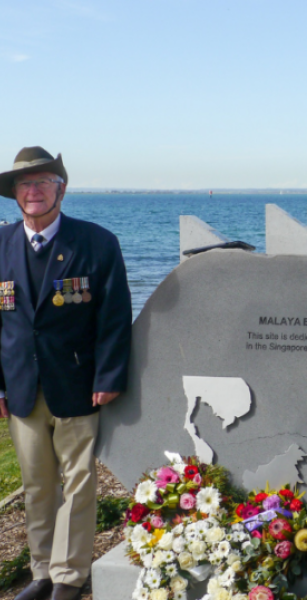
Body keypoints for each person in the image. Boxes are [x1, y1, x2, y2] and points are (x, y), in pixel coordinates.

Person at [0, 147, 132, 600]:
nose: (32, 191)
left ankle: (69, 577)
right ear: (14, 194)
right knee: (37, 485)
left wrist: (110, 375)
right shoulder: (0, 244)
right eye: (24, 184)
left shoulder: (95, 242)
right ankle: (41, 573)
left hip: (78, 384)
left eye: (42, 182)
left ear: (61, 188)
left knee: (78, 484)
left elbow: (113, 315)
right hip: (19, 387)